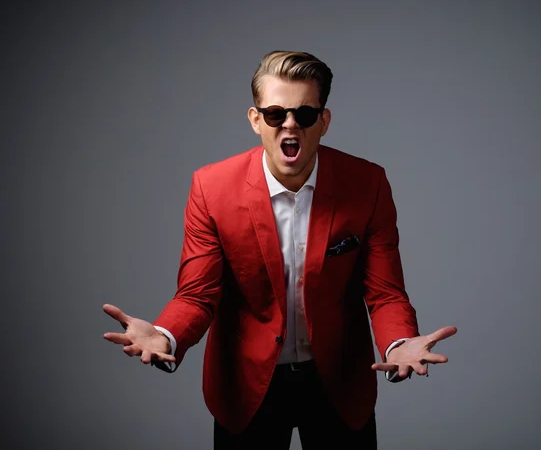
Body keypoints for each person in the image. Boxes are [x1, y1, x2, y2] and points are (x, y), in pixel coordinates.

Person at [103, 50, 457, 449]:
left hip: (338, 384)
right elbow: (198, 293)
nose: (290, 125)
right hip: (247, 385)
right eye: (275, 114)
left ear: (323, 122)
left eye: (304, 115)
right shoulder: (211, 188)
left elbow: (384, 292)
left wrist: (399, 341)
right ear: (256, 120)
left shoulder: (367, 183)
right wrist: (166, 335)